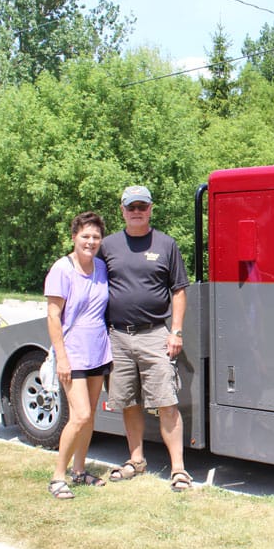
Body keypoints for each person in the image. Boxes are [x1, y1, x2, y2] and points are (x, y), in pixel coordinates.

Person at [99, 185, 192, 492]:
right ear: (122, 211)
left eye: (142, 206)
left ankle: (179, 469)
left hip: (155, 335)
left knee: (167, 402)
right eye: (131, 207)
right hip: (118, 337)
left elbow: (179, 290)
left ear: (150, 209)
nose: (136, 211)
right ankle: (136, 460)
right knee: (128, 402)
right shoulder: (108, 246)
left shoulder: (166, 244)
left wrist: (175, 331)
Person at [44, 211, 113, 499]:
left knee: (89, 415)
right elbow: (53, 316)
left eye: (96, 236)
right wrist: (61, 358)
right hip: (72, 354)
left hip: (98, 351)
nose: (91, 241)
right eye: (85, 235)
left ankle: (80, 470)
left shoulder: (101, 267)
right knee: (80, 415)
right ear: (74, 237)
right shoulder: (62, 269)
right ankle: (58, 477)